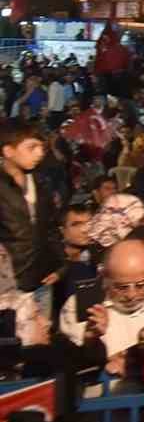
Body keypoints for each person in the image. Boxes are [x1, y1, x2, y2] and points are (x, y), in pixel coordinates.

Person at [58, 238, 144, 378]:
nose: (131, 295)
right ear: (104, 276)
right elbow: (78, 365)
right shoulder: (81, 305)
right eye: (121, 287)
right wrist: (91, 339)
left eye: (140, 285)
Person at [0, 120, 61, 311]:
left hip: (42, 283)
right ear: (8, 151)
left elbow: (51, 229)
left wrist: (60, 266)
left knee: (41, 337)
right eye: (31, 147)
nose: (39, 153)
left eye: (41, 147)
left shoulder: (42, 182)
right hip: (8, 287)